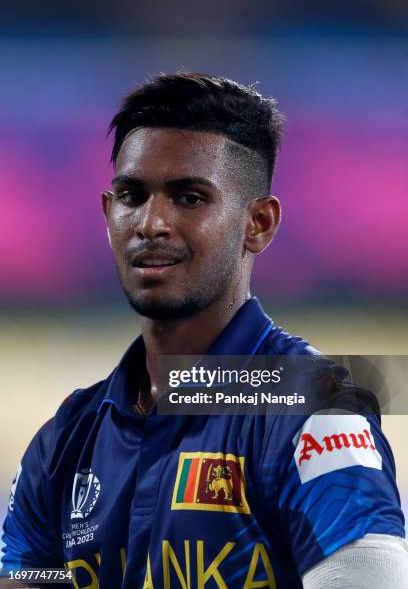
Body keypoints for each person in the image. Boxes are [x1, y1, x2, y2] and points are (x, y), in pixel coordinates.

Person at [1, 72, 407, 588]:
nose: (151, 223)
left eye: (189, 198)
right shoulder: (65, 439)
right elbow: (29, 579)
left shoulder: (313, 410)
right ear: (107, 215)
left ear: (258, 223)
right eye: (132, 195)